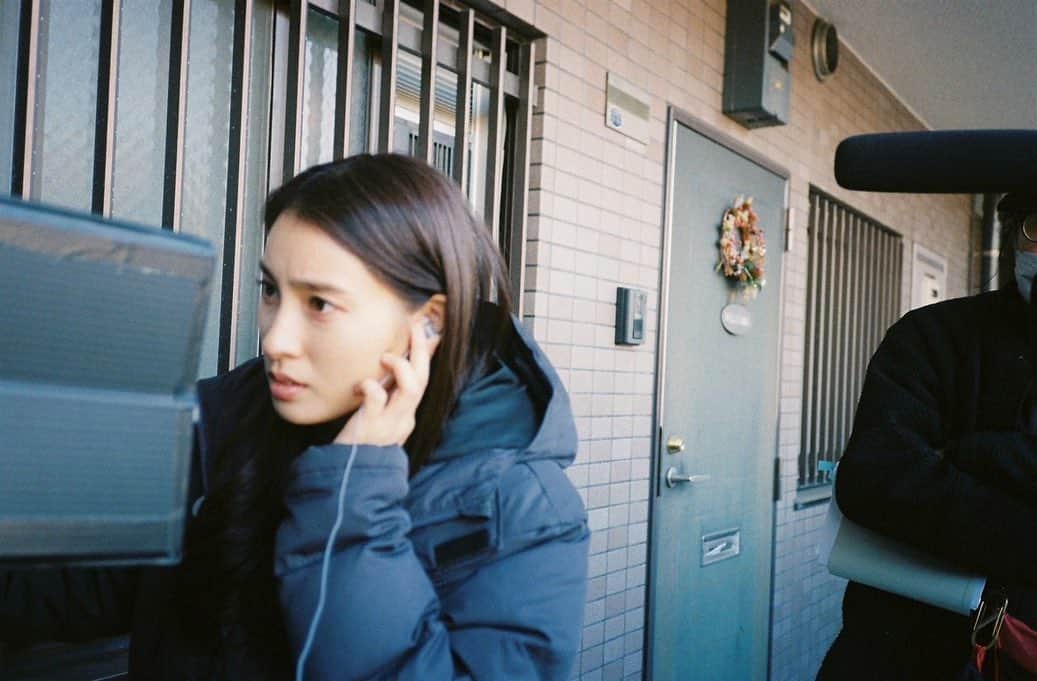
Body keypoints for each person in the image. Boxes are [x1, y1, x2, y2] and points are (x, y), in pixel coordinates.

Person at [0, 154, 590, 680]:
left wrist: (354, 494)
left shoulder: (518, 509)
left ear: (428, 322)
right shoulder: (223, 423)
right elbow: (90, 589)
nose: (275, 339)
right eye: (271, 290)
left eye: (320, 303)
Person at [817, 192, 1037, 680]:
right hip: (901, 655)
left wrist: (971, 456)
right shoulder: (933, 335)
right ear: (1012, 235)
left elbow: (914, 484)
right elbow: (876, 479)